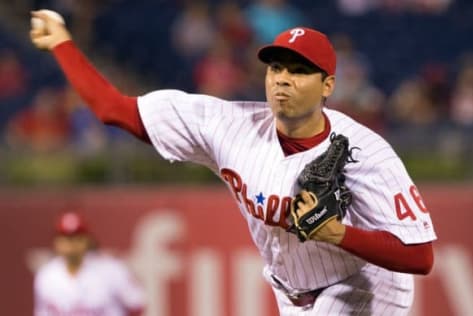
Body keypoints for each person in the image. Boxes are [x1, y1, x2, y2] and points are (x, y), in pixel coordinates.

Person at [30, 11, 436, 315]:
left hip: (364, 284)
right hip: (291, 290)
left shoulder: (366, 153)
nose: (282, 79)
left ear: (328, 85)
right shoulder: (228, 125)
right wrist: (63, 44)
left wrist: (337, 233)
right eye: (276, 67)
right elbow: (113, 110)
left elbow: (420, 257)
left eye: (299, 71)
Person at [34, 211, 145, 316]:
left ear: (87, 240)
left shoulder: (111, 270)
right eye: (66, 238)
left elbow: (137, 304)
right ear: (57, 242)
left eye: (77, 237)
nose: (71, 243)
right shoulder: (46, 275)